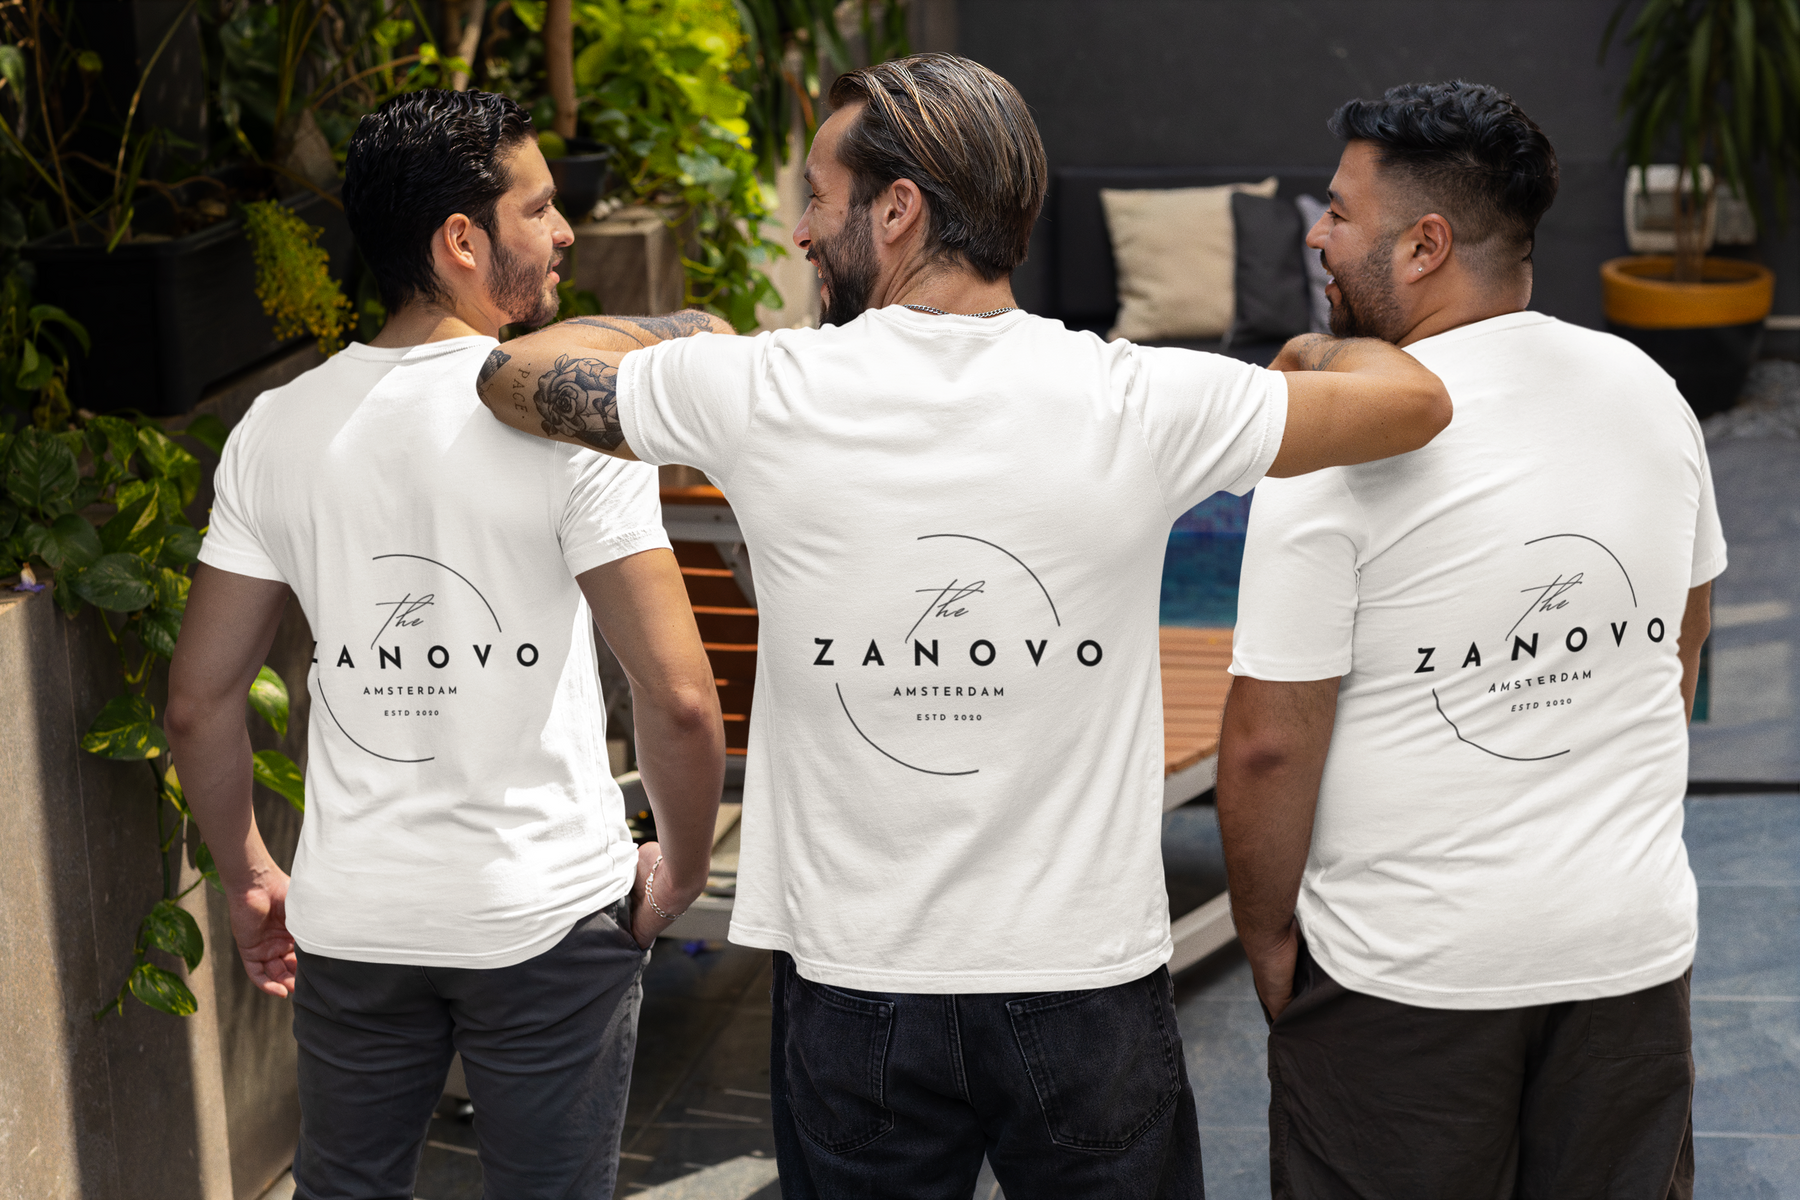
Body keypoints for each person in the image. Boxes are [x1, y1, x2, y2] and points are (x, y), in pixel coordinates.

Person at [476, 53, 1450, 1199]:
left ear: (898, 210)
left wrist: (685, 332)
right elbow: (1414, 402)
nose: (800, 232)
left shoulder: (760, 388)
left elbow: (514, 373)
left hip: (857, 984)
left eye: (818, 200)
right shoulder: (1138, 397)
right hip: (1084, 979)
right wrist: (1304, 358)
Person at [166, 89, 729, 1200]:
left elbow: (197, 702)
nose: (565, 232)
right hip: (546, 914)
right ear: (462, 240)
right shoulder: (567, 422)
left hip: (356, 916)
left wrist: (247, 874)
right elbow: (675, 696)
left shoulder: (276, 427)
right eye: (541, 208)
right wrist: (683, 871)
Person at [1216, 80, 1722, 1198]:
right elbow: (1680, 646)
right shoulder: (1649, 390)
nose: (1318, 234)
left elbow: (1266, 745)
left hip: (1408, 977)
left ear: (1425, 246)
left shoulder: (1336, 444)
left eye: (1340, 212)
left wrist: (1265, 939)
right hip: (1627, 954)